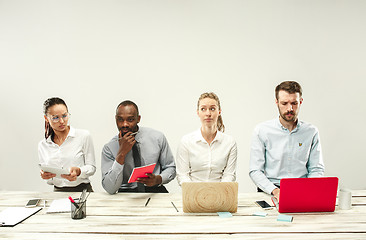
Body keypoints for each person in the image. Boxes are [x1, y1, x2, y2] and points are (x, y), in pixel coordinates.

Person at [249, 81, 325, 200]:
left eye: (294, 103)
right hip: (270, 190)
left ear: (300, 102)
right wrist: (275, 191)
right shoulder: (262, 131)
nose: (290, 109)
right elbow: (255, 170)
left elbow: (316, 169)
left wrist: (310, 189)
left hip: (303, 189)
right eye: (284, 103)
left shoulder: (311, 132)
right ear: (277, 102)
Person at [101, 100, 176, 194]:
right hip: (126, 194)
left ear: (138, 119)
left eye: (130, 119)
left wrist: (157, 179)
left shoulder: (157, 137)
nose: (125, 124)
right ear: (116, 119)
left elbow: (171, 168)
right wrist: (121, 153)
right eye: (120, 119)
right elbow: (110, 188)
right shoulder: (109, 148)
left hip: (155, 190)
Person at [176, 92, 237, 185]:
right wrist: (197, 192)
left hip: (220, 194)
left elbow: (229, 175)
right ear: (198, 112)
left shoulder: (229, 142)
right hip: (193, 194)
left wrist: (217, 193)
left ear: (219, 111)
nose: (208, 113)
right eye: (203, 109)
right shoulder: (186, 141)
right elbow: (182, 175)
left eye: (212, 109)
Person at [38, 97, 96, 192]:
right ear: (46, 118)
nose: (62, 121)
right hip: (57, 192)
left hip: (82, 191)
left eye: (64, 116)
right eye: (55, 118)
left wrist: (79, 171)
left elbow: (92, 167)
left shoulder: (83, 136)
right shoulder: (43, 145)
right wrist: (45, 175)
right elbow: (49, 177)